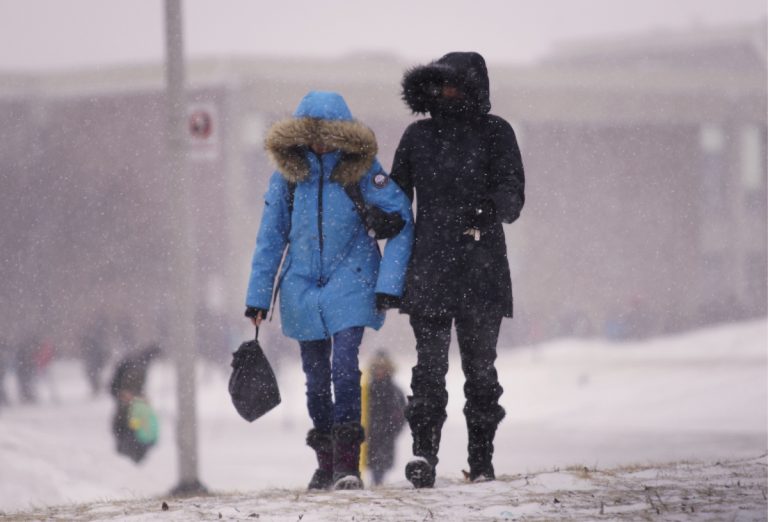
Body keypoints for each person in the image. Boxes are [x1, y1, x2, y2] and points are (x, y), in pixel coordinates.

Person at [244, 91, 413, 491]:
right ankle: (325, 463)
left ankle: (346, 465)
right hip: (301, 285)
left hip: (351, 279)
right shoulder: (286, 177)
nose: (320, 144)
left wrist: (389, 285)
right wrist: (258, 297)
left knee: (344, 368)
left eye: (328, 135)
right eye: (312, 136)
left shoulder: (362, 169)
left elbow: (402, 218)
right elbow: (270, 237)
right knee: (316, 379)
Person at [391, 52, 525, 487]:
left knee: (480, 371)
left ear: (473, 87)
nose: (446, 92)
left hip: (481, 268)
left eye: (454, 84)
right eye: (439, 84)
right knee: (428, 371)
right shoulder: (417, 136)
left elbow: (513, 199)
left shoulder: (496, 133)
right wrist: (378, 216)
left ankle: (481, 461)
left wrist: (484, 210)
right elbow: (396, 198)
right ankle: (424, 457)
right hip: (430, 268)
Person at [109, 344, 162, 463]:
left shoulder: (137, 361)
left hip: (124, 397)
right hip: (125, 398)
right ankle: (128, 453)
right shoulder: (139, 364)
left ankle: (126, 450)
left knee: (128, 423)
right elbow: (129, 386)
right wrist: (133, 396)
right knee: (130, 424)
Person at [364, 350, 406, 486]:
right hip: (369, 435)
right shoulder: (366, 389)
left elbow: (402, 414)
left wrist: (393, 430)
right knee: (371, 462)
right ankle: (376, 483)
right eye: (376, 368)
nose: (379, 371)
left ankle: (378, 483)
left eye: (382, 368)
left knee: (381, 463)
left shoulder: (395, 391)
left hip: (387, 435)